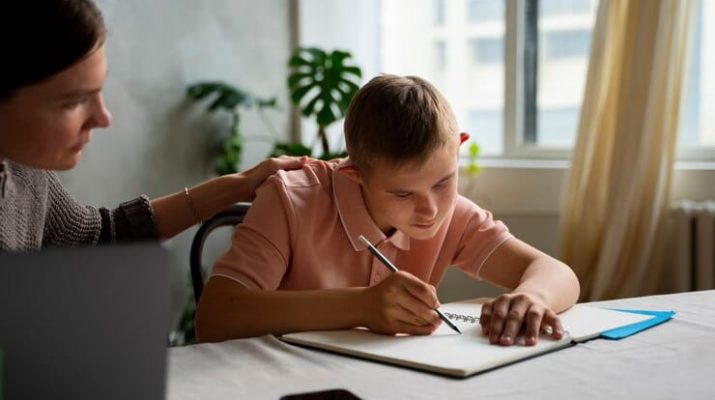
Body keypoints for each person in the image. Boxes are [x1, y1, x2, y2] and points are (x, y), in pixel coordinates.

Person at [196, 75, 580, 346]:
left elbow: (556, 273)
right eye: (402, 194)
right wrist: (361, 305)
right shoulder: (290, 200)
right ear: (354, 174)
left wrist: (534, 296)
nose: (430, 210)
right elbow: (216, 316)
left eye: (444, 182)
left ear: (459, 146)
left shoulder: (455, 216)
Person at [0, 0, 305, 251]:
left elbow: (100, 236)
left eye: (98, 91)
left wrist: (240, 184)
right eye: (73, 102)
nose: (103, 118)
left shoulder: (24, 174)